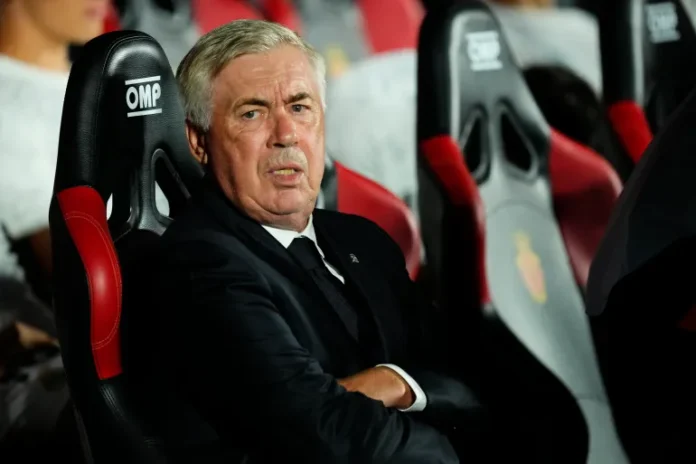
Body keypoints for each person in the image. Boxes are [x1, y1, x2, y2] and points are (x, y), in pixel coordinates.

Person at [150, 19, 490, 463]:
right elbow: (324, 434)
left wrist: (396, 382)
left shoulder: (364, 241)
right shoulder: (200, 264)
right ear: (198, 142)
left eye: (300, 107)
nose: (285, 134)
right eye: (252, 113)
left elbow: (470, 380)